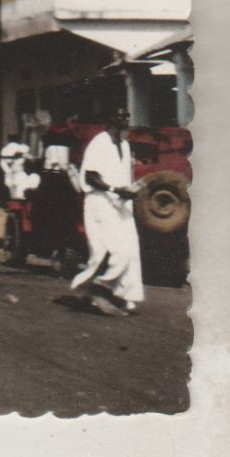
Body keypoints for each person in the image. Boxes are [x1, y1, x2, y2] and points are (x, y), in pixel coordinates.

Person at [71, 111, 145, 316]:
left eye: (128, 117)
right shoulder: (99, 143)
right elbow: (91, 176)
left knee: (131, 249)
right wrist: (115, 190)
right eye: (122, 117)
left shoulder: (125, 144)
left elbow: (122, 177)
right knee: (115, 249)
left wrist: (130, 190)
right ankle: (99, 287)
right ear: (111, 121)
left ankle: (122, 295)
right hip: (100, 202)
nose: (127, 121)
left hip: (121, 203)